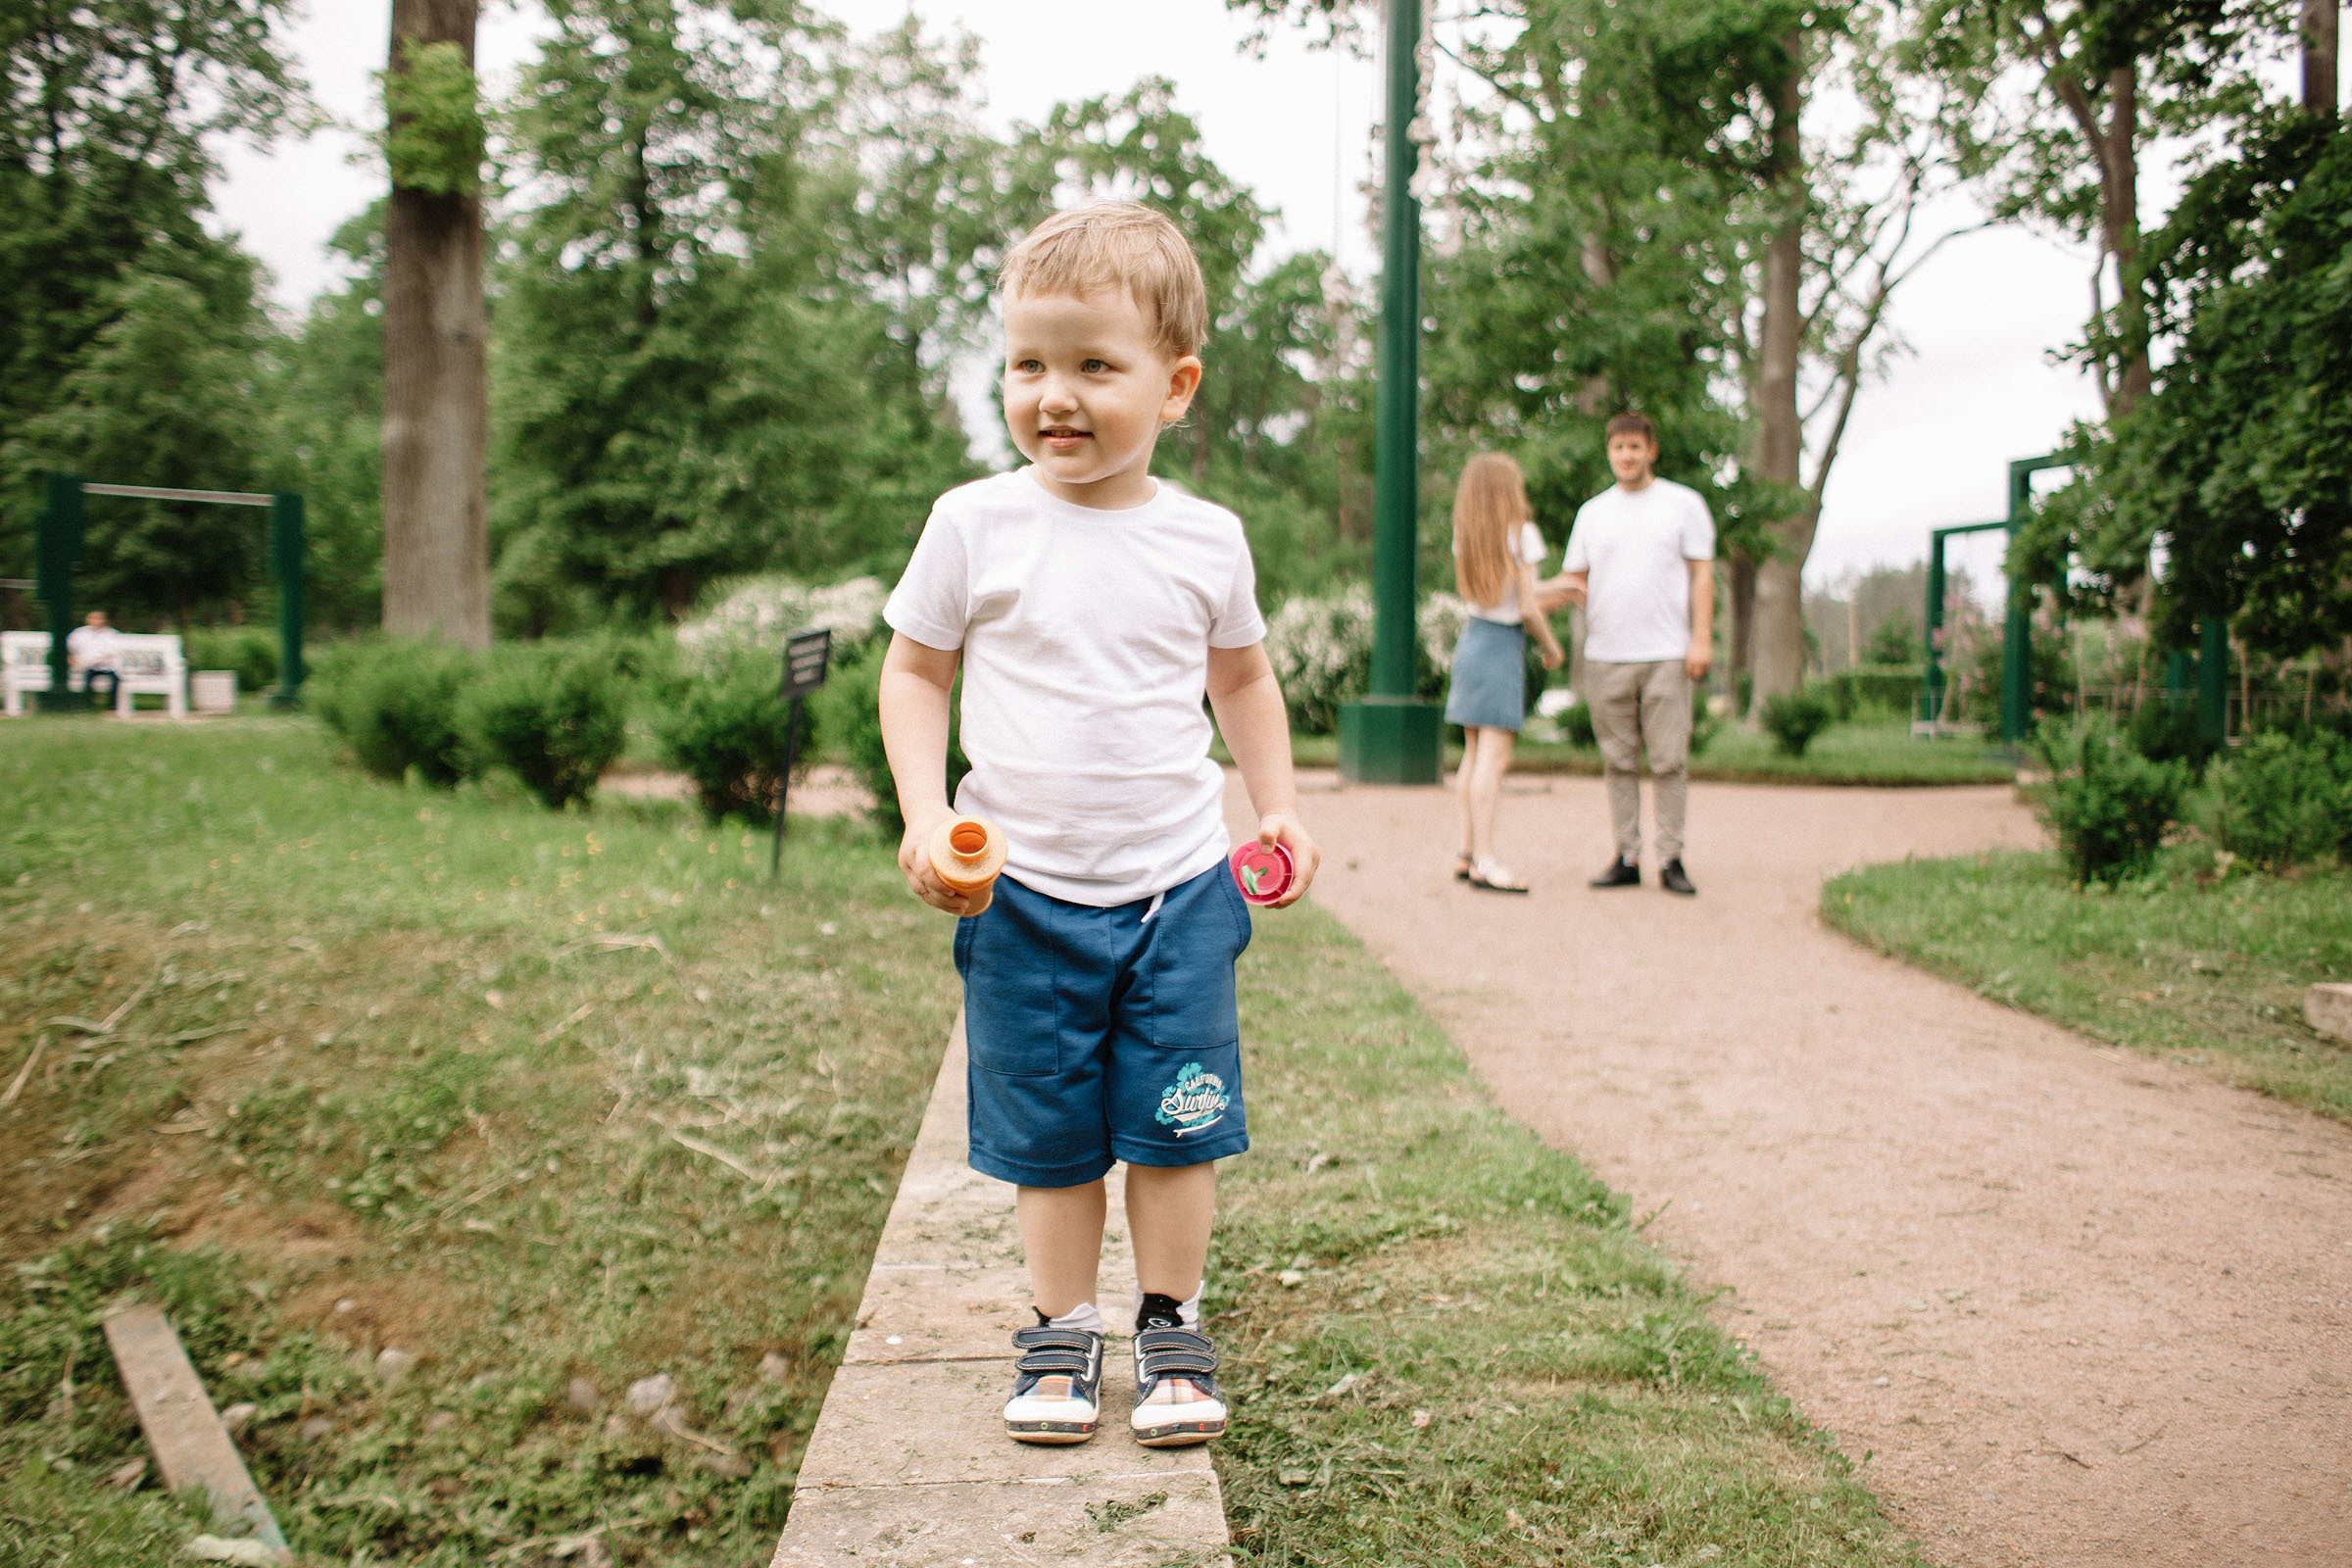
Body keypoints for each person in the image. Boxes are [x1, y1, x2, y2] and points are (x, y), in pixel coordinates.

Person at [877, 202, 1318, 1450]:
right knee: (1054, 1140)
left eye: (1092, 365)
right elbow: (915, 674)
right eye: (1028, 363)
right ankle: (1060, 1332)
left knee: (1177, 1124)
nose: (1052, 394)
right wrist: (924, 816)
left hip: (1179, 888)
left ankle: (1171, 1320)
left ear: (1175, 386)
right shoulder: (976, 523)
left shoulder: (1206, 539)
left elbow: (1243, 681)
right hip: (1021, 897)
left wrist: (1275, 802)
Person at [1540, 412, 1715, 896]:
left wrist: (1700, 639)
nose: (1627, 455)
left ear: (1651, 450)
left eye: (1635, 447)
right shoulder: (1593, 514)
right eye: (1618, 447)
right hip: (1606, 654)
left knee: (1668, 761)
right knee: (1618, 760)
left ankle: (1672, 857)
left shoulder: (1683, 505)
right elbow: (1573, 581)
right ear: (1609, 452)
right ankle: (1627, 855)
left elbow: (1703, 576)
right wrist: (1518, 601)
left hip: (1666, 653)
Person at [1446, 453, 1564, 893]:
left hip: (1473, 640)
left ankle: (1465, 851)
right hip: (1502, 647)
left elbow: (1508, 596)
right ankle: (1487, 859)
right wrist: (1552, 647)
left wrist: (1562, 589)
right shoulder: (1523, 535)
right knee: (1493, 762)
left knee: (1473, 755)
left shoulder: (1467, 535)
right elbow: (1527, 606)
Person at [66, 610, 122, 710]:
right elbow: (70, 647)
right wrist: (72, 658)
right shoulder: (79, 633)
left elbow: (113, 651)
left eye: (98, 618)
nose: (95, 621)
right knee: (87, 678)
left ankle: (112, 705)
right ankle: (87, 703)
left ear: (104, 620)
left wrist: (98, 659)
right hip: (87, 666)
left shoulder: (111, 634)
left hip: (106, 666)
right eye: (92, 618)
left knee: (116, 680)